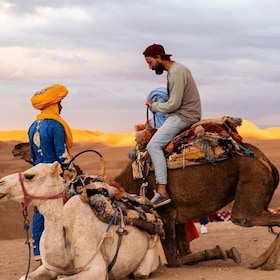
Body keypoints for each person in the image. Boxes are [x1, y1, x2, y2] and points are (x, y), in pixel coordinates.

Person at [143, 44, 202, 208]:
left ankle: (161, 191)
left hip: (183, 116)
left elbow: (173, 105)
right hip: (181, 114)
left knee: (153, 146)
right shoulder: (175, 71)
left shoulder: (176, 72)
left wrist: (153, 106)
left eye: (150, 62)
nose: (150, 67)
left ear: (159, 57)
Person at [28, 84, 73, 262]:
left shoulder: (33, 126)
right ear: (53, 105)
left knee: (39, 210)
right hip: (54, 175)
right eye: (59, 104)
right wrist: (70, 171)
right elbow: (61, 154)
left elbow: (32, 154)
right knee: (65, 208)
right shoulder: (56, 125)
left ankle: (38, 249)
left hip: (38, 173)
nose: (61, 107)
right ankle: (63, 247)